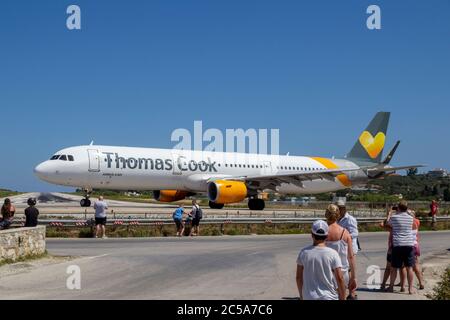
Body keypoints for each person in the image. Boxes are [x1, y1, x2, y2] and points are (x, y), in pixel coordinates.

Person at [296, 220, 346, 300]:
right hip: (329, 297)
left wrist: (302, 296)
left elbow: (299, 277)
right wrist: (343, 298)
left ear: (312, 235)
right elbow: (340, 278)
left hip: (309, 297)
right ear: (326, 236)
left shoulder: (304, 253)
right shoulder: (333, 254)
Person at [325, 204, 358, 300]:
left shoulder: (322, 232)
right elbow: (351, 257)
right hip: (343, 273)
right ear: (338, 215)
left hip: (326, 273)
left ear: (326, 214)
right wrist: (354, 277)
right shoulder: (345, 233)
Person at [386, 200, 416, 295]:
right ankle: (410, 289)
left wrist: (390, 213)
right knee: (409, 267)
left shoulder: (394, 217)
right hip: (409, 244)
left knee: (394, 267)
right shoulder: (411, 218)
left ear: (398, 208)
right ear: (407, 208)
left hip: (398, 244)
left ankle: (391, 287)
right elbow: (414, 223)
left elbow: (387, 224)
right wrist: (408, 211)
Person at [410, 211, 425, 290]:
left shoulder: (409, 223)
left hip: (410, 245)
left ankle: (420, 282)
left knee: (406, 266)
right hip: (416, 245)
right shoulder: (417, 221)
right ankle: (421, 282)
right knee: (416, 265)